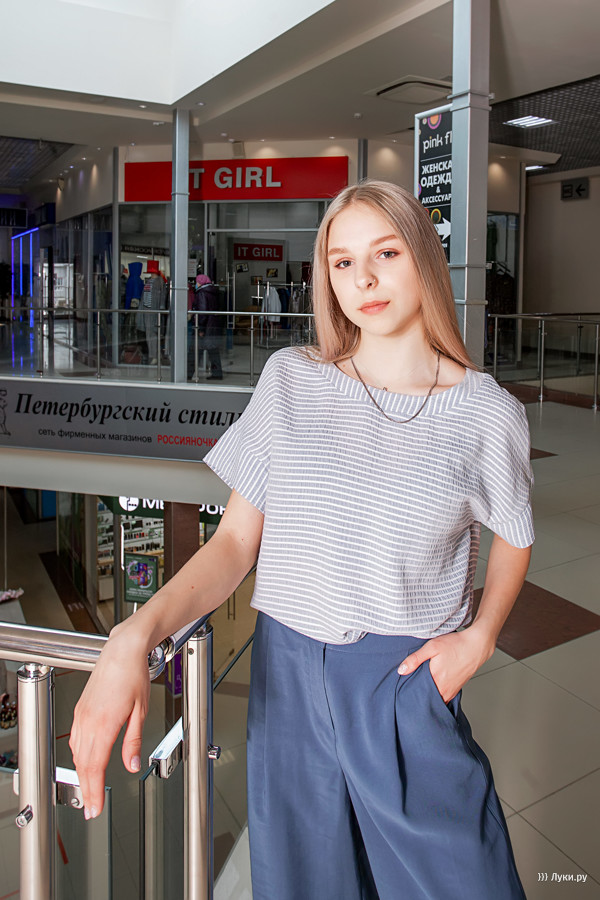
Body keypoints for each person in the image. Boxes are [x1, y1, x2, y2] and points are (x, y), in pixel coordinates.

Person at [70, 181, 533, 899]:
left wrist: (481, 637)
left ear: (425, 259)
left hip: (402, 681)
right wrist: (136, 632)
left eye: (386, 253)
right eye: (342, 262)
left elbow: (514, 535)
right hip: (286, 679)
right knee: (303, 883)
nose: (364, 279)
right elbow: (234, 543)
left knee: (461, 880)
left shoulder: (486, 413)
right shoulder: (291, 380)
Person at [190, 273, 223, 379]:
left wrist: (201, 328)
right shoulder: (213, 292)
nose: (196, 284)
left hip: (205, 327)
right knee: (213, 350)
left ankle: (188, 374)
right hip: (213, 325)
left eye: (197, 282)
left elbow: (202, 312)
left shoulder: (202, 293)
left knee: (195, 350)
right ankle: (217, 373)